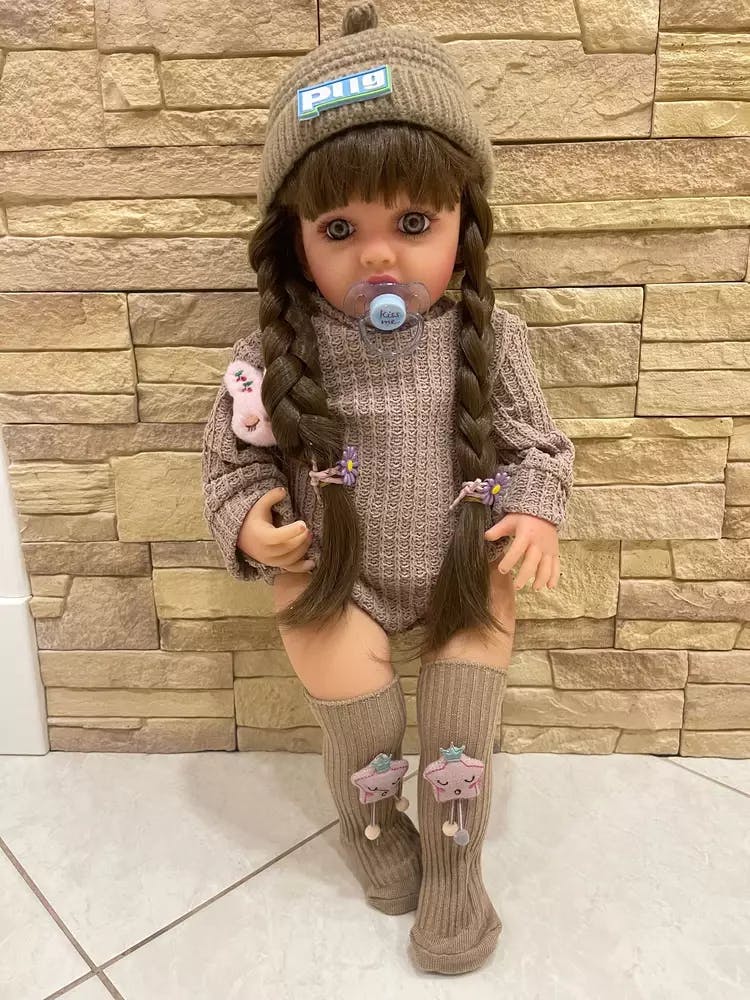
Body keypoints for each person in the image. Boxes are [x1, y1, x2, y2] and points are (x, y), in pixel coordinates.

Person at [202, 1, 575, 976]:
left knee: (459, 738)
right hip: (336, 579)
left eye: (413, 223)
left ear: (462, 223)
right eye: (341, 227)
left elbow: (538, 444)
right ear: (295, 239)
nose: (379, 254)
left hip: (463, 568)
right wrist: (249, 521)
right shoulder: (268, 357)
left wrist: (535, 509)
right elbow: (230, 464)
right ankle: (372, 833)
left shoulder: (491, 340)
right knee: (365, 730)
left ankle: (455, 867)